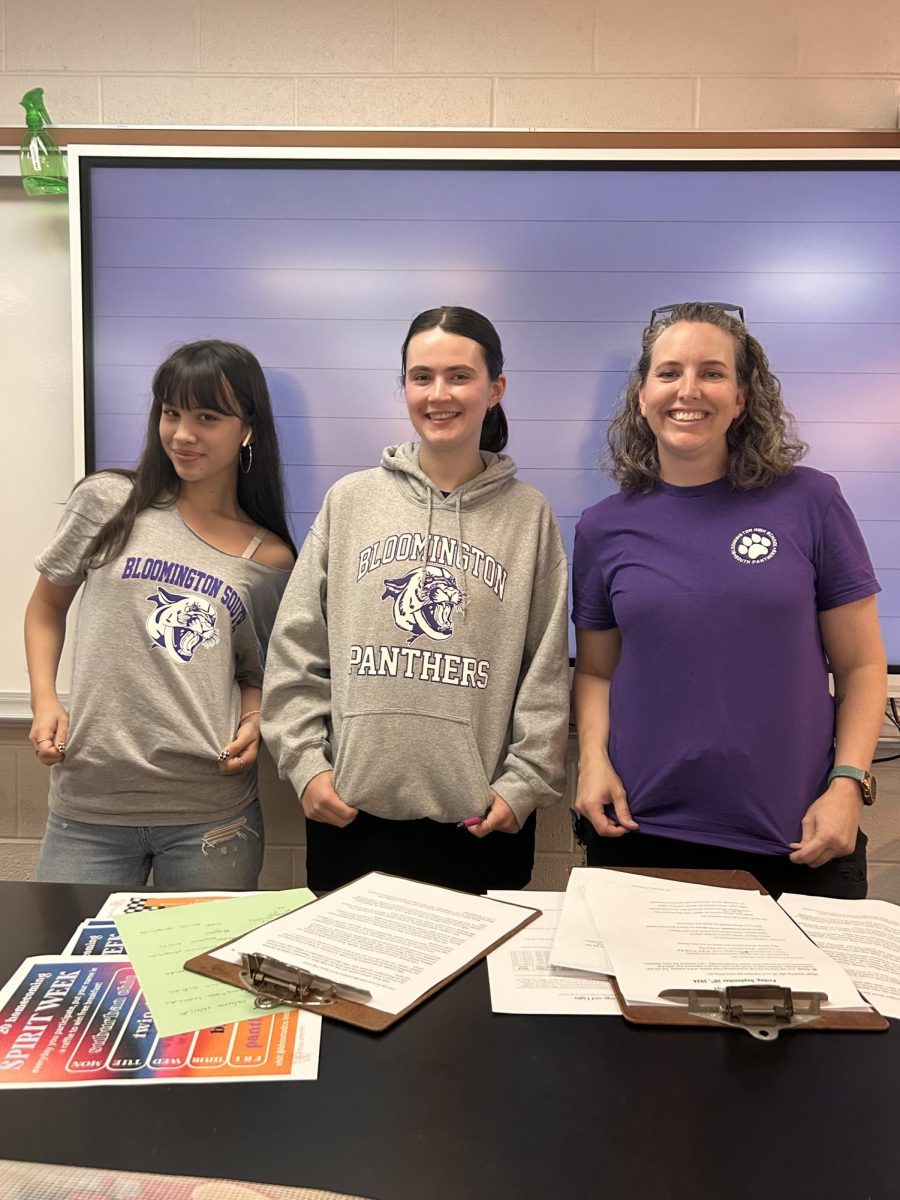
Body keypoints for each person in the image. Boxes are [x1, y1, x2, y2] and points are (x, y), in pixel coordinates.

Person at [573, 301, 886, 899]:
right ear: (642, 396)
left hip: (798, 839)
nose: (688, 390)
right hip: (640, 831)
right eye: (668, 373)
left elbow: (863, 666)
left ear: (742, 398)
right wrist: (592, 760)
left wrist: (848, 783)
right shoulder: (601, 528)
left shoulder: (811, 501)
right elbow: (594, 670)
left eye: (712, 372)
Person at [262, 306, 570, 894]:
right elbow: (296, 648)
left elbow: (546, 670)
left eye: (460, 376)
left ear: (495, 388)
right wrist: (306, 766)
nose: (439, 394)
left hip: (480, 825)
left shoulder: (529, 516)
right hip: (350, 818)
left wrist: (523, 783)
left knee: (475, 989)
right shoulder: (349, 501)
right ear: (403, 386)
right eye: (421, 376)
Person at [26, 339, 296, 888]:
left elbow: (255, 671)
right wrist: (45, 701)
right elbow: (45, 608)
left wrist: (253, 720)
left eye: (207, 417)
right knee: (75, 964)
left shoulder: (267, 555)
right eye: (171, 413)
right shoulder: (108, 502)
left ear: (248, 429)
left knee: (200, 972)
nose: (182, 434)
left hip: (211, 814)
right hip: (89, 806)